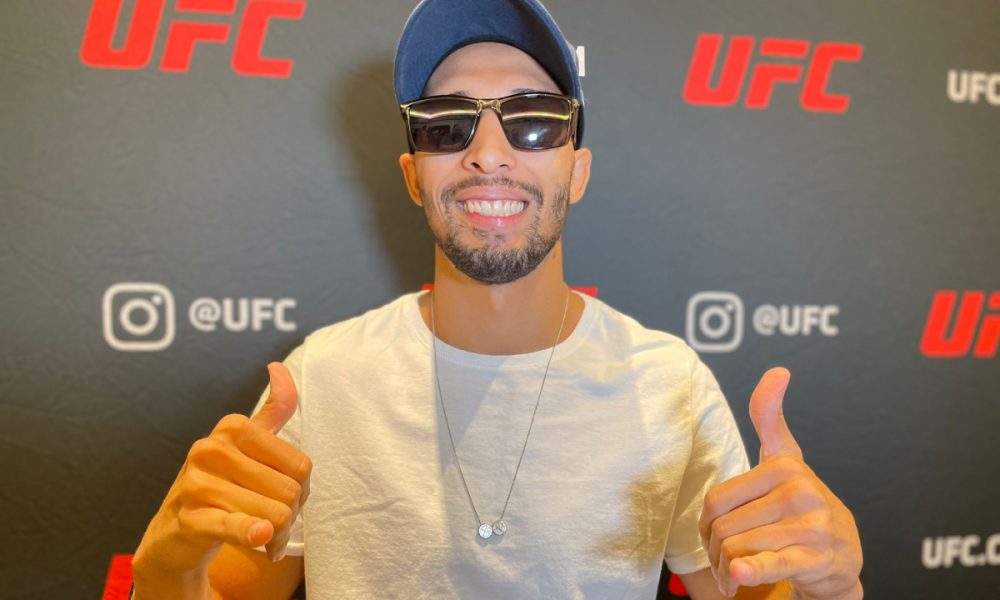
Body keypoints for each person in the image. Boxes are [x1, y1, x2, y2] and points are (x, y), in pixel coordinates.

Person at [131, 0, 864, 598]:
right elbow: (209, 589)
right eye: (448, 124)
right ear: (415, 176)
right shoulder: (323, 377)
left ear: (576, 171)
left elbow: (755, 586)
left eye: (533, 119)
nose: (488, 152)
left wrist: (831, 590)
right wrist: (164, 569)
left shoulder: (668, 384)